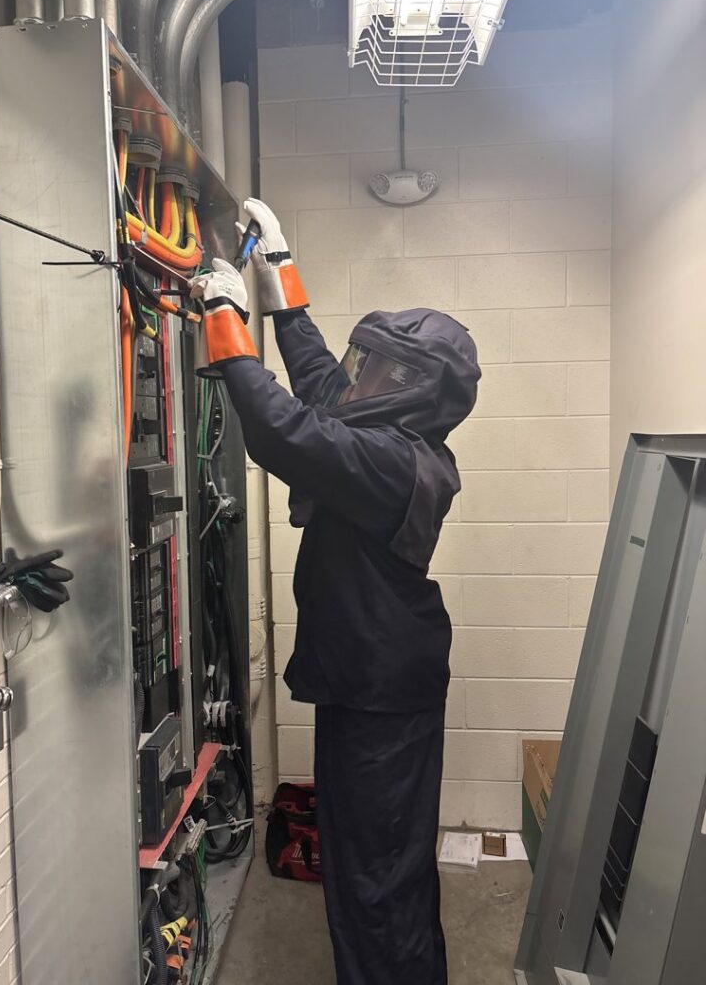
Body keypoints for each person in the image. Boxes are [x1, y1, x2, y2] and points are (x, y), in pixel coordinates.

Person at [190, 199, 481, 985]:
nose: (361, 377)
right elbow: (318, 376)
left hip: (383, 697)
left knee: (376, 879)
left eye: (380, 368)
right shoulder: (379, 430)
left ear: (418, 388)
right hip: (370, 685)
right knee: (369, 864)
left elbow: (285, 430)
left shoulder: (395, 462)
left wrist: (222, 318)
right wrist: (278, 274)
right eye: (368, 361)